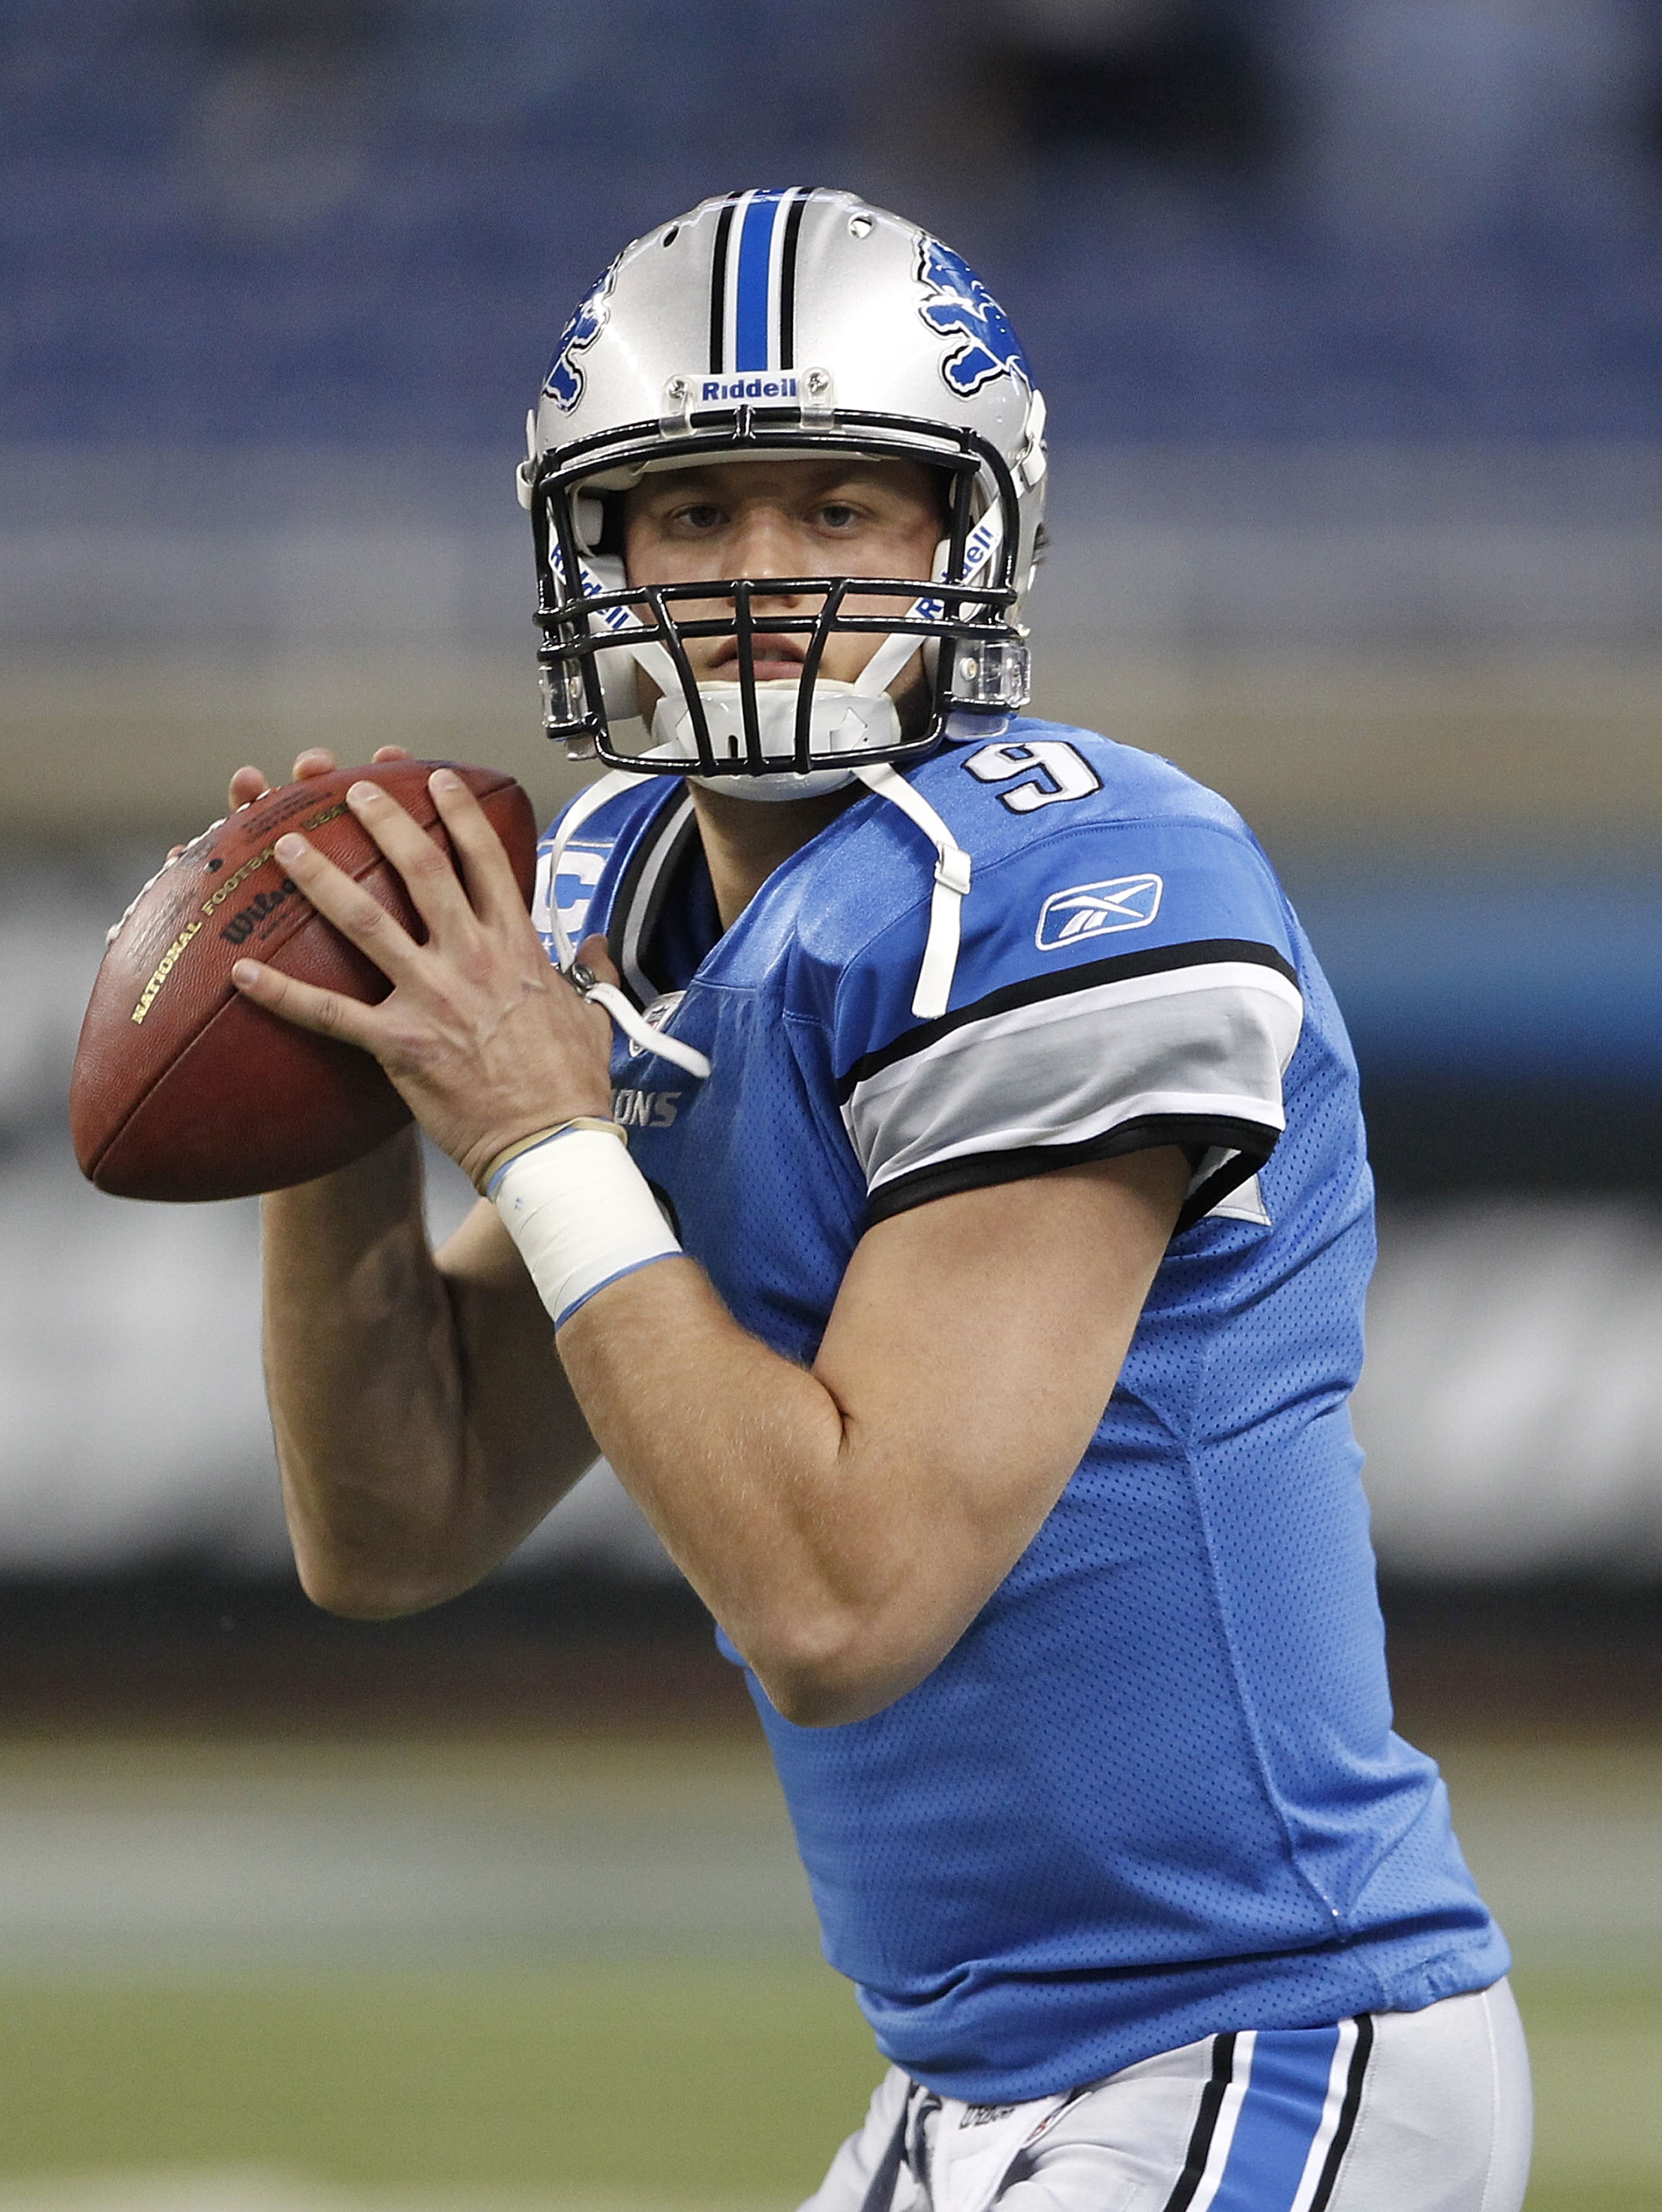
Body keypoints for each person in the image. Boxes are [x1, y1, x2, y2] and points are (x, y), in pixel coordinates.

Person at [229, 190, 1530, 2210]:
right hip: (971, 2081)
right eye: (694, 515)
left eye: (841, 510)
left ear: (964, 535)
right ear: (601, 555)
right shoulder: (621, 884)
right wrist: (320, 1094)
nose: (763, 573)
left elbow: (843, 1602)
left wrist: (549, 1138)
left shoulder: (1079, 882)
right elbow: (395, 1523)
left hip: (1252, 2039)